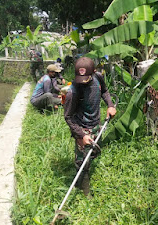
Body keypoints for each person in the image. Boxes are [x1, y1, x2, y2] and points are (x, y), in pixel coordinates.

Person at [64, 57, 116, 195]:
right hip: (81, 127)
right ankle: (84, 193)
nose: (82, 83)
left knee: (93, 153)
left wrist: (110, 105)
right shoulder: (73, 92)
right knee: (82, 162)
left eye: (86, 79)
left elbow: (104, 91)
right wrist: (81, 135)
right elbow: (68, 117)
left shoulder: (98, 77)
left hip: (96, 124)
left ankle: (80, 178)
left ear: (93, 72)